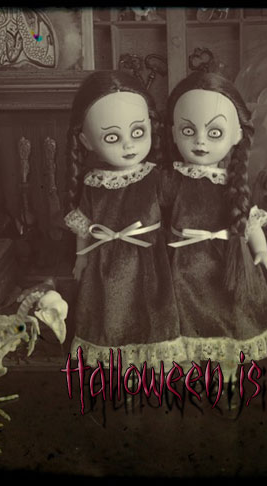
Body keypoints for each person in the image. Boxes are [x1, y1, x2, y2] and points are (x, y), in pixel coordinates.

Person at [163, 71, 267, 383]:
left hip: (227, 265)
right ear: (173, 132)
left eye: (214, 132)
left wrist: (262, 252)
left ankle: (226, 376)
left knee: (229, 317)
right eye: (188, 130)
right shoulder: (173, 179)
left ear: (237, 135)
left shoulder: (232, 183)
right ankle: (188, 374)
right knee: (185, 320)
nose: (200, 141)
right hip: (184, 268)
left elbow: (249, 220)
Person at [64, 70, 184, 371]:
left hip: (149, 259)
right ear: (86, 140)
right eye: (112, 137)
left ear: (151, 127)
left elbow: (185, 204)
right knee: (111, 311)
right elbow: (84, 224)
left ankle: (152, 367)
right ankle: (120, 367)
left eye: (138, 132)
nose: (128, 145)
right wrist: (81, 257)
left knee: (150, 309)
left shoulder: (155, 177)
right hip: (105, 261)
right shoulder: (94, 182)